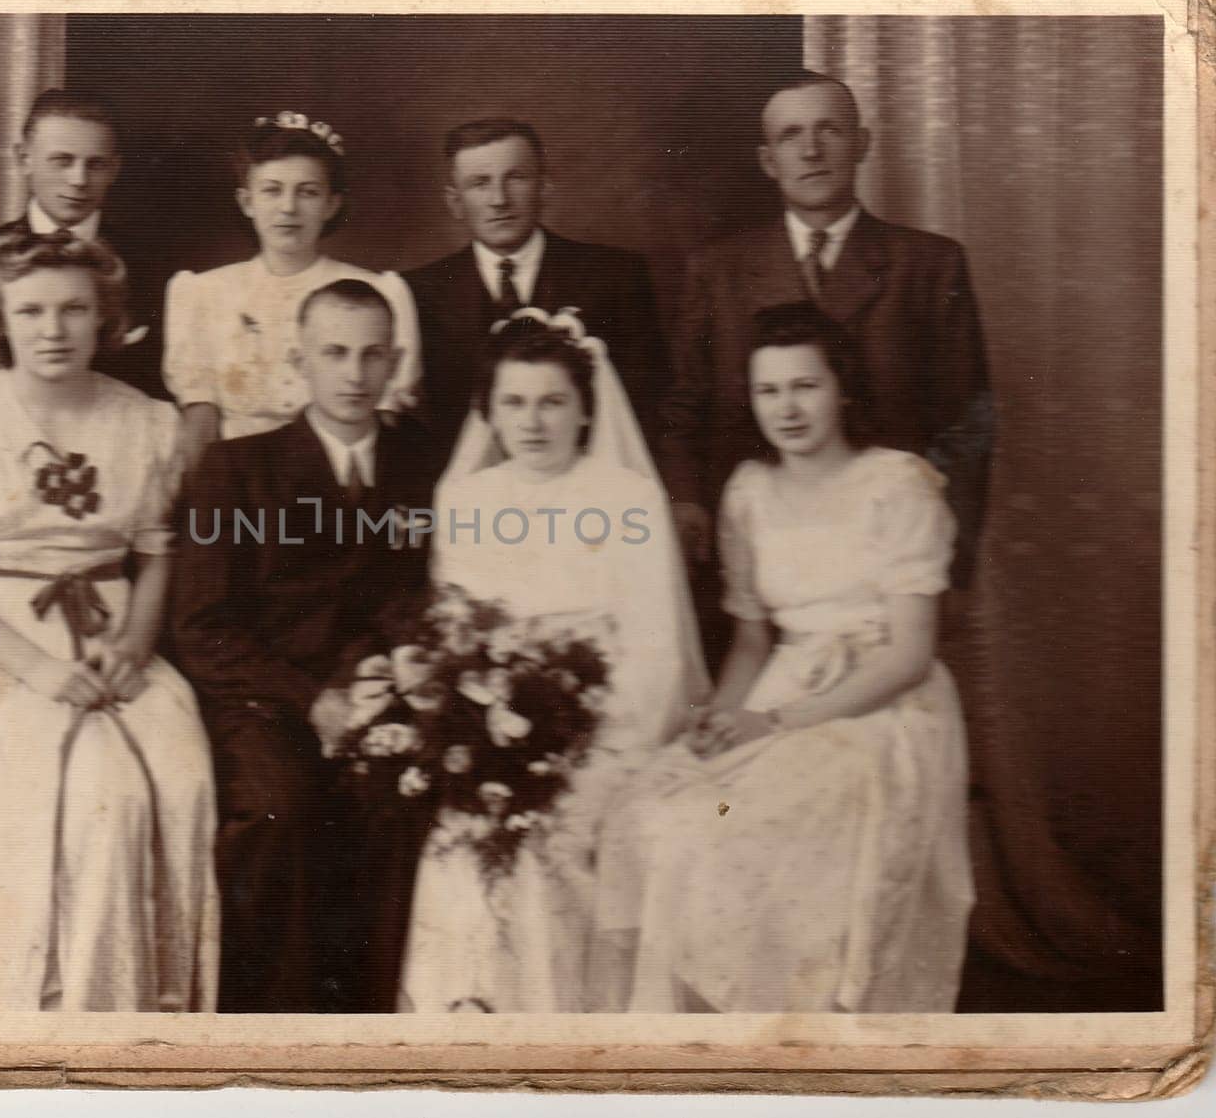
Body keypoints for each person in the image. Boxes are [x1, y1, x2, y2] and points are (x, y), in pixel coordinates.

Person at [596, 303, 975, 1013]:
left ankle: (793, 1016)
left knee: (731, 831)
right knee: (651, 810)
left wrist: (775, 722)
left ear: (844, 389)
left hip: (881, 708)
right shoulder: (749, 490)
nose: (788, 407)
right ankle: (717, 1033)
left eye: (806, 386)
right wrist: (723, 717)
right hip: (781, 685)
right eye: (769, 390)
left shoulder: (898, 484)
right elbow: (750, 642)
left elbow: (911, 655)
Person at [0, 232, 217, 1012]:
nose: (53, 327)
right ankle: (22, 1013)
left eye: (74, 308)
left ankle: (139, 1017)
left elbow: (156, 553)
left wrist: (136, 646)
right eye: (31, 310)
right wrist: (37, 668)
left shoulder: (145, 420)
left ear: (103, 317)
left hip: (112, 634)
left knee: (178, 778)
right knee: (76, 800)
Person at [398, 313, 709, 1014]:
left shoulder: (628, 499)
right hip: (500, 742)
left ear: (584, 408)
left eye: (551, 402)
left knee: (551, 840)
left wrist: (584, 757)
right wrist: (485, 746)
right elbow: (457, 639)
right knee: (466, 837)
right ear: (489, 411)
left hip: (612, 739)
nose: (532, 422)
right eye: (513, 402)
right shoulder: (468, 499)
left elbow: (655, 654)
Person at [171, 278, 440, 1013]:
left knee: (397, 801)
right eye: (334, 353)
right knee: (279, 810)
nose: (354, 374)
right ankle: (272, 1038)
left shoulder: (423, 462)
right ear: (300, 361)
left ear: (395, 362)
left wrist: (405, 658)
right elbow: (201, 624)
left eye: (371, 354)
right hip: (263, 698)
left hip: (378, 690)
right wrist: (311, 699)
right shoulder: (236, 470)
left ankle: (375, 1032)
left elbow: (420, 590)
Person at [664, 71, 994, 589]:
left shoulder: (929, 265)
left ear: (862, 143)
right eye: (790, 135)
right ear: (768, 161)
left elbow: (967, 424)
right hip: (762, 546)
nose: (811, 150)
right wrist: (685, 503)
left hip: (889, 548)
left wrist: (941, 555)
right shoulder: (718, 269)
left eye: (830, 130)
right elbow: (687, 407)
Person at [403, 118, 684, 500]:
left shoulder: (615, 275)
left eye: (515, 177)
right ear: (455, 201)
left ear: (544, 186)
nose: (499, 199)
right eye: (479, 183)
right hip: (466, 500)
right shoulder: (417, 292)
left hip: (592, 497)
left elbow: (656, 400)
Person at [162, 112, 422, 472]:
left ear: (331, 204)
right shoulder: (202, 294)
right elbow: (200, 423)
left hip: (340, 483)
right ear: (247, 201)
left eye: (308, 192)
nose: (288, 208)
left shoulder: (379, 293)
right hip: (238, 486)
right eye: (272, 190)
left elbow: (385, 424)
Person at [0, 88, 172, 400]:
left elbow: (162, 389)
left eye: (96, 164)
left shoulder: (151, 261)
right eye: (62, 161)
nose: (79, 179)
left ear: (115, 169)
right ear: (24, 159)